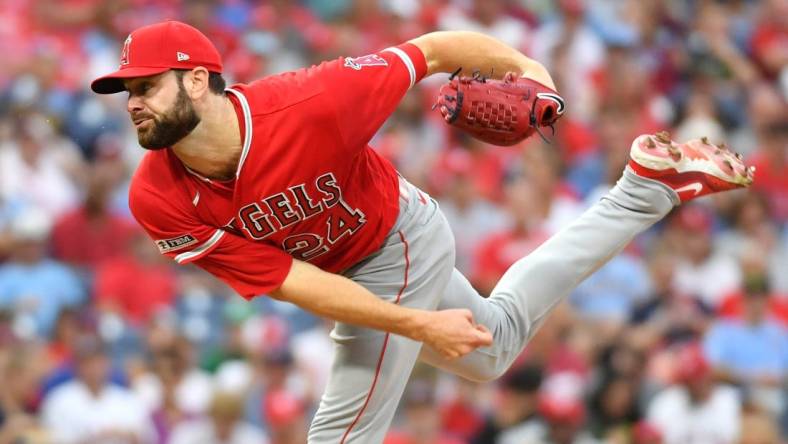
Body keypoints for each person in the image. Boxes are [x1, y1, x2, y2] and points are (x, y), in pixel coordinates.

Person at [90, 20, 754, 443]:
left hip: (396, 237)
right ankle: (643, 189)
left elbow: (434, 49)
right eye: (126, 91)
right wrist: (416, 325)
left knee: (340, 434)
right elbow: (295, 283)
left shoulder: (312, 103)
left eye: (147, 83)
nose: (134, 101)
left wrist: (536, 79)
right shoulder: (155, 198)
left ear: (199, 79)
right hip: (337, 272)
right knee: (493, 348)